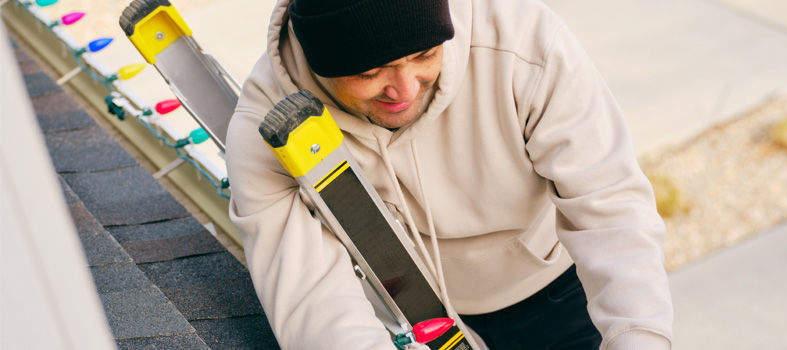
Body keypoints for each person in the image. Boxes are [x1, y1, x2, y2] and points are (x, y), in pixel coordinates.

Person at [225, 0, 673, 348]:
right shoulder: (267, 130)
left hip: (559, 290)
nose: (404, 89)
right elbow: (313, 302)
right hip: (420, 320)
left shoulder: (523, 44)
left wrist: (639, 336)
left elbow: (611, 207)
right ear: (318, 59)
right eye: (370, 72)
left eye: (424, 54)